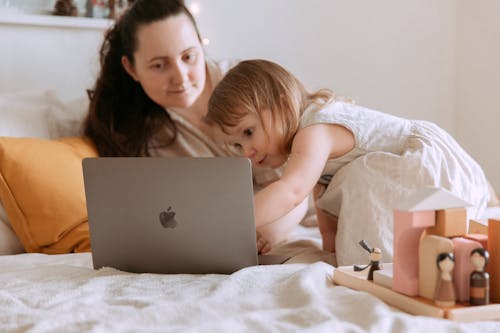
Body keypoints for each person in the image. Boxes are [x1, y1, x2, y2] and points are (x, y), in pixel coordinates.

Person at [204, 59, 492, 265]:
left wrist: (233, 220)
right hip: (403, 171)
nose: (247, 152)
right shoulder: (306, 146)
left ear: (281, 104)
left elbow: (291, 192)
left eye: (249, 132)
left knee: (364, 188)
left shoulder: (314, 130)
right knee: (351, 185)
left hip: (420, 163)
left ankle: (388, 258)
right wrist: (330, 246)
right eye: (237, 145)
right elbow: (326, 200)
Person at [82, 0, 308, 254]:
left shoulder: (250, 86)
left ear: (201, 44)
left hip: (280, 221)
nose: (180, 77)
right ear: (131, 68)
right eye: (159, 65)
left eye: (188, 57)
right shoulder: (131, 126)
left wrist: (261, 234)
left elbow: (298, 184)